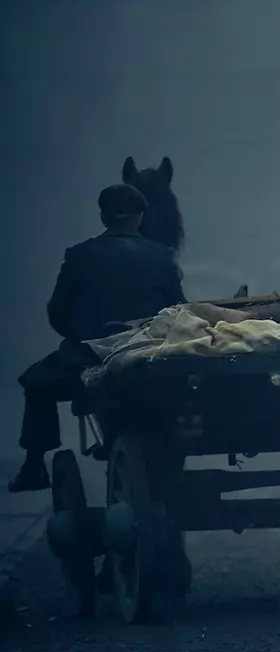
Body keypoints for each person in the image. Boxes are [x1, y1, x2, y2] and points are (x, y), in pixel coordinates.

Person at [9, 184, 186, 492]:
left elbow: (57, 312)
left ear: (104, 217)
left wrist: (84, 335)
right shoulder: (162, 257)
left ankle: (34, 465)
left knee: (36, 384)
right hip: (148, 357)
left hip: (89, 357)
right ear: (140, 217)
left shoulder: (78, 256)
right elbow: (177, 309)